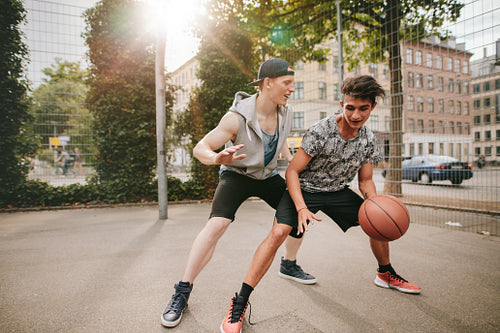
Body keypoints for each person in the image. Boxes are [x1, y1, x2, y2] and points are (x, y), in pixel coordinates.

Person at [220, 75, 421, 333]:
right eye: (350, 107)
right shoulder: (322, 130)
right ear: (341, 104)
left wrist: (375, 204)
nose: (356, 114)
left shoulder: (369, 140)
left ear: (372, 107)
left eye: (363, 108)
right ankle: (240, 302)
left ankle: (385, 273)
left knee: (376, 220)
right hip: (305, 190)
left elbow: (367, 179)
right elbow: (292, 171)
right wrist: (302, 207)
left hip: (338, 191)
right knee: (279, 232)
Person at [161, 58, 316, 328]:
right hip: (237, 175)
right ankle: (182, 291)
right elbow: (201, 147)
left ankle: (289, 264)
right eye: (287, 83)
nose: (292, 88)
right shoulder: (235, 118)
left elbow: (278, 146)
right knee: (216, 225)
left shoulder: (286, 112)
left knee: (299, 212)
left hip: (266, 177)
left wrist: (294, 165)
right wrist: (216, 158)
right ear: (268, 83)